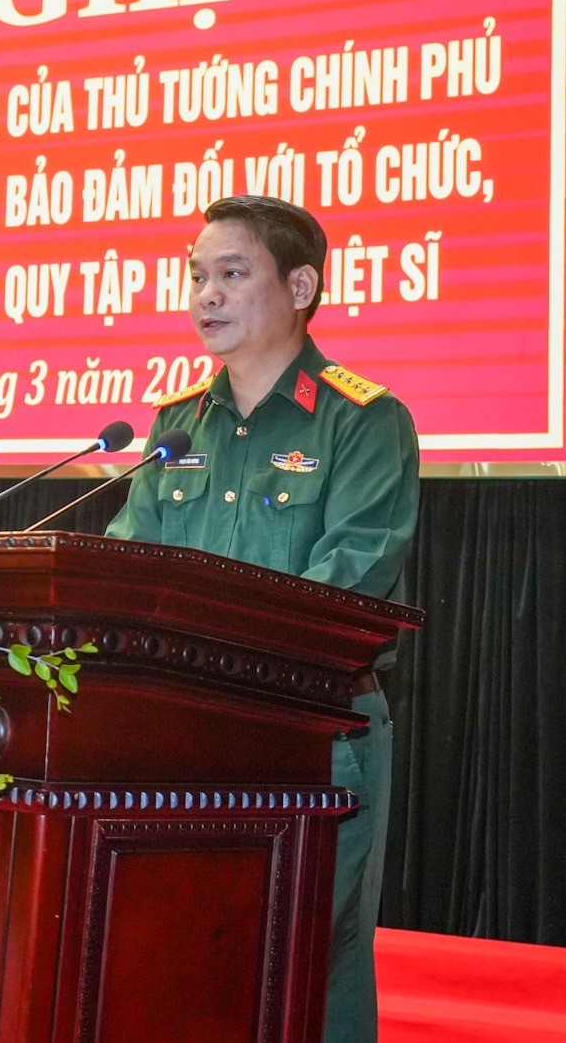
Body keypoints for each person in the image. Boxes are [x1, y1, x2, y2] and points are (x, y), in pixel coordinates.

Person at [105, 194, 419, 1043]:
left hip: (313, 741)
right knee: (186, 961)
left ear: (301, 285)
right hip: (179, 739)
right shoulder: (174, 426)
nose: (206, 294)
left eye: (233, 273)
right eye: (197, 276)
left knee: (307, 965)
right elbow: (127, 573)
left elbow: (349, 580)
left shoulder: (362, 420)